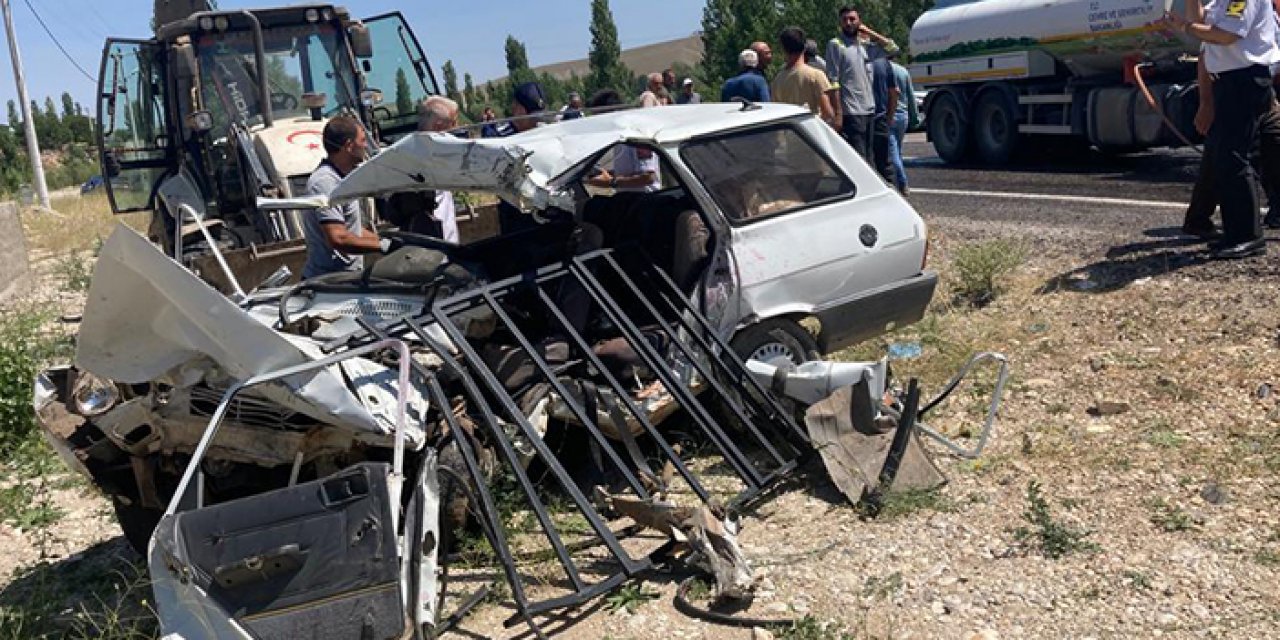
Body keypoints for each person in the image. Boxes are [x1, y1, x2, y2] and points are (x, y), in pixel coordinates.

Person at [1163, 0, 1280, 258]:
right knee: (1225, 158)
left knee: (1235, 158)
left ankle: (1247, 236)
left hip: (1244, 80)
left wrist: (1185, 26)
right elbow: (1204, 20)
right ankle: (1236, 233)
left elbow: (1226, 36)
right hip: (1230, 82)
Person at [302, 116, 393, 279]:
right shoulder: (325, 183)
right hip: (328, 284)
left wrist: (391, 241)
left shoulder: (342, 180)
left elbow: (352, 230)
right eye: (363, 140)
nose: (366, 146)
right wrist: (381, 245)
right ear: (349, 146)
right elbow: (339, 237)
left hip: (346, 278)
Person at [384, 97, 462, 243]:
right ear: (439, 127)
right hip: (432, 248)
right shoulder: (415, 158)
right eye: (453, 122)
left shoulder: (432, 152)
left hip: (443, 243)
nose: (457, 127)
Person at [826, 6, 899, 161]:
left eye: (852, 19)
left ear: (859, 22)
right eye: (845, 19)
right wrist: (838, 114)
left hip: (869, 109)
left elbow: (893, 49)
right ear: (840, 23)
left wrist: (869, 32)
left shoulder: (865, 46)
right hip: (851, 111)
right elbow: (833, 81)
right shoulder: (836, 44)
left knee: (871, 156)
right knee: (859, 157)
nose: (848, 23)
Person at [772, 26, 836, 128]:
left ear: (783, 49)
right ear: (804, 47)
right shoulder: (816, 75)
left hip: (790, 135)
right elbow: (828, 113)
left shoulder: (777, 80)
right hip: (812, 134)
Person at [888, 53, 917, 194]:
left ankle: (902, 182)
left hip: (890, 114)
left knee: (892, 153)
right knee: (897, 150)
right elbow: (910, 95)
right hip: (903, 115)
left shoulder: (883, 70)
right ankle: (899, 181)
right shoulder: (903, 71)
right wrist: (915, 116)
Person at [869, 48, 899, 183]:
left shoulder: (856, 61)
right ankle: (892, 191)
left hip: (862, 117)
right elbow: (893, 92)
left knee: (865, 161)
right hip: (880, 117)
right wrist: (890, 116)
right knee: (885, 162)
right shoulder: (884, 63)